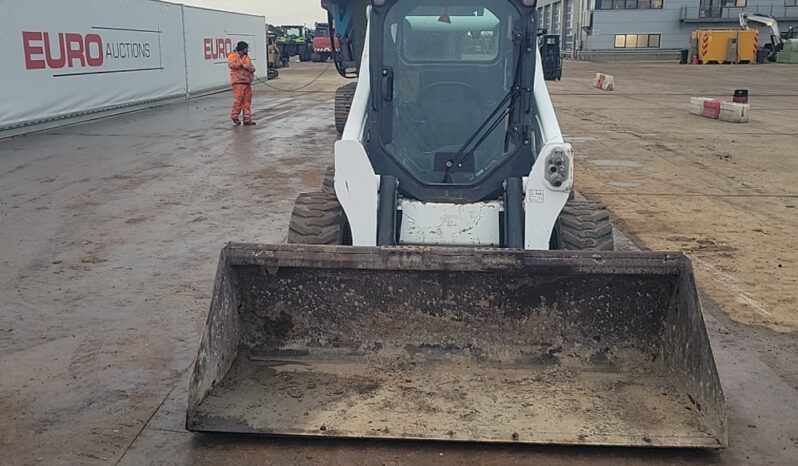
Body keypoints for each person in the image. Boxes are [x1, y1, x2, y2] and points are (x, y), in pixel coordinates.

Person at [228, 41, 256, 126]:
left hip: (247, 83)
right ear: (243, 49)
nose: (247, 50)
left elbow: (252, 68)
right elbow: (231, 65)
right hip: (238, 83)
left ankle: (247, 119)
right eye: (246, 48)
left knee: (247, 102)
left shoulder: (247, 57)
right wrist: (242, 65)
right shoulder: (233, 56)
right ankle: (234, 117)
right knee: (238, 101)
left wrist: (250, 68)